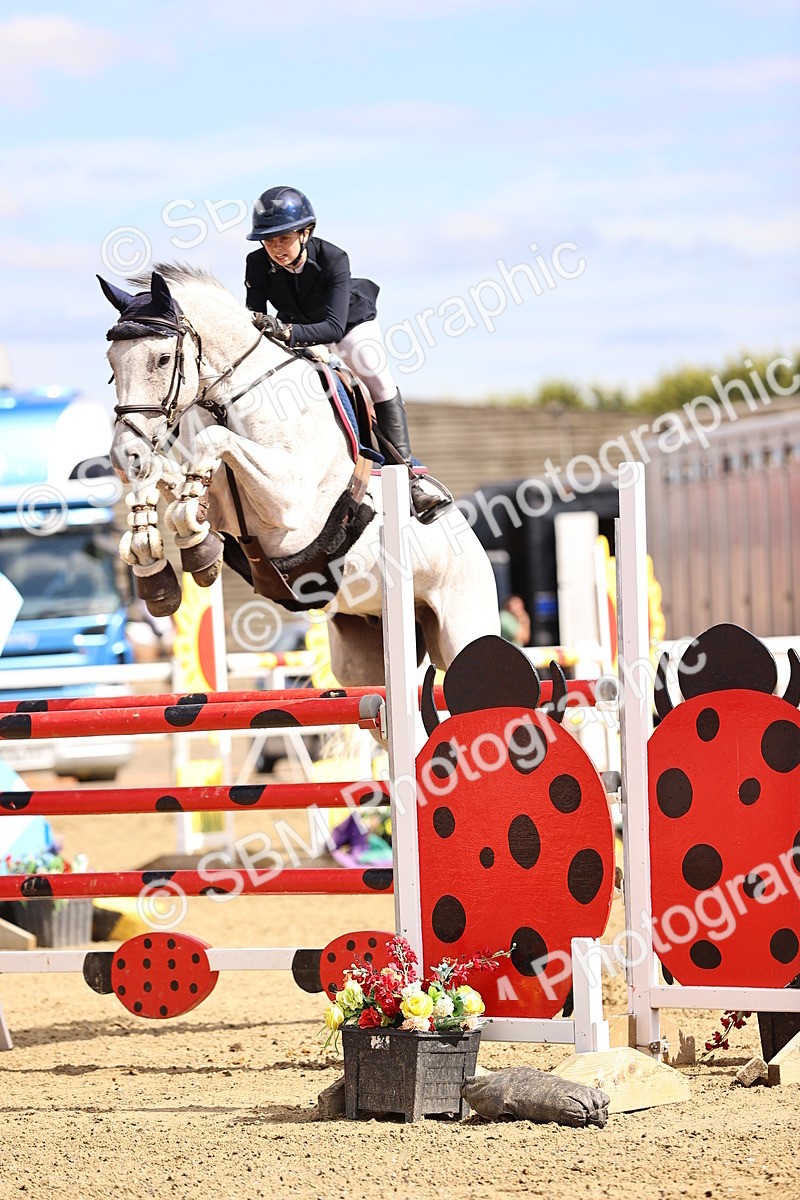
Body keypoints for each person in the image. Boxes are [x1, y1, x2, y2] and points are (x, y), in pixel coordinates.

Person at [244, 186, 453, 523]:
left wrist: (286, 332)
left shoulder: (333, 258)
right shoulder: (256, 263)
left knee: (375, 374)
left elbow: (333, 328)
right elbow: (253, 317)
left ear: (305, 232)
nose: (276, 248)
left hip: (347, 325)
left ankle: (408, 477)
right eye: (268, 241)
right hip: (297, 328)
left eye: (283, 238)